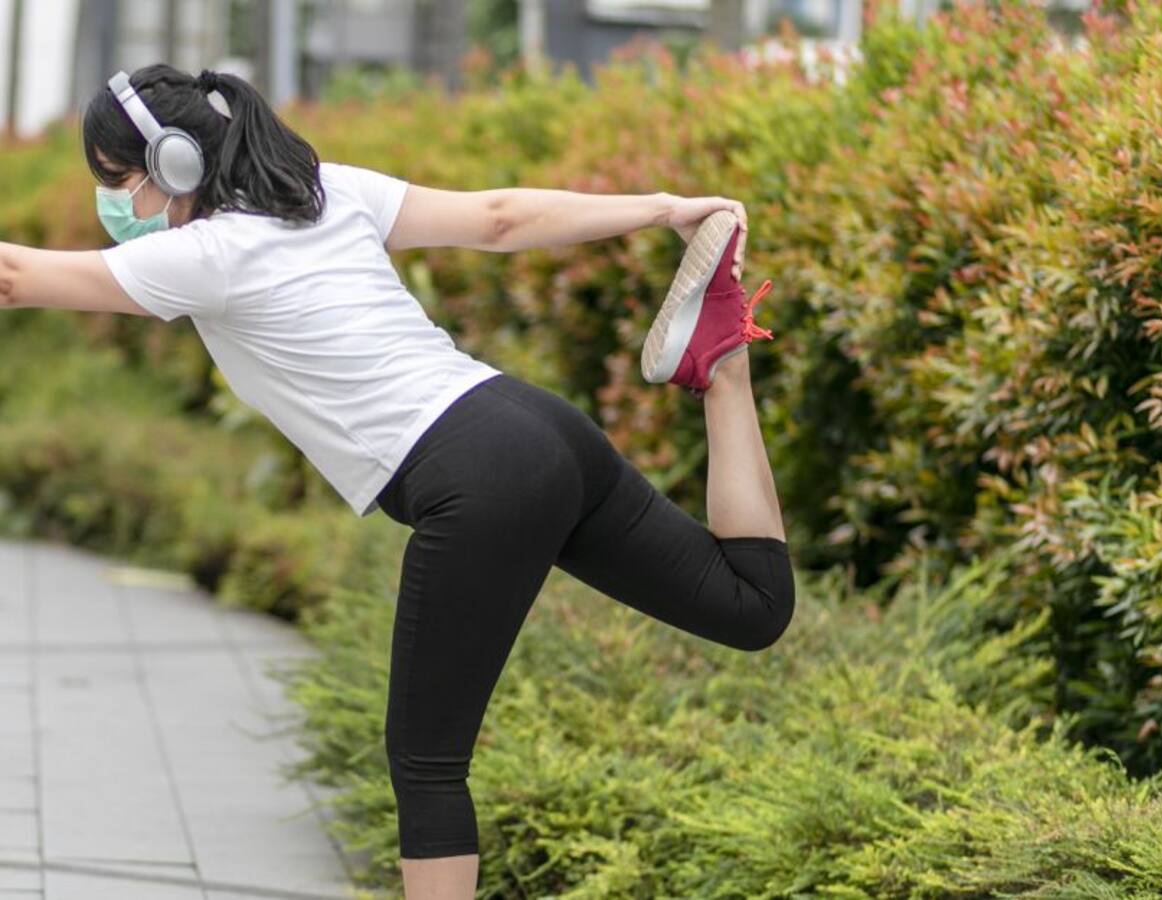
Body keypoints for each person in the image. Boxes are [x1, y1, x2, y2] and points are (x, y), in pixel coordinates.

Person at [0, 63, 794, 899]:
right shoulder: (325, 191)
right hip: (538, 427)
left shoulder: (202, 256)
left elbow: (13, 278)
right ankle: (723, 361)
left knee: (426, 765)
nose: (113, 207)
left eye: (117, 182)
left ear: (174, 165)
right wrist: (664, 208)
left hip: (474, 474)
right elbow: (499, 218)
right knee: (751, 606)